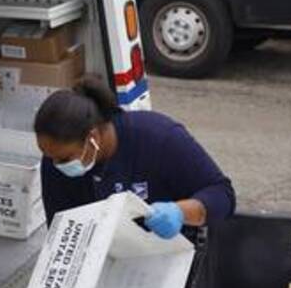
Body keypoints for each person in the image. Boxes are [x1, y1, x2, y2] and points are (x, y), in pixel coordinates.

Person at [33, 76, 235, 239]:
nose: (57, 165)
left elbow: (222, 194)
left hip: (170, 251)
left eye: (65, 158)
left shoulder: (159, 137)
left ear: (92, 138)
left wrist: (180, 212)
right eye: (49, 156)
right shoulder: (55, 161)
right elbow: (60, 231)